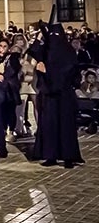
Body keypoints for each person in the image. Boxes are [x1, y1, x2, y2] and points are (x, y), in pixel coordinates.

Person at [33, 22, 84, 167]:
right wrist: (39, 36)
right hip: (49, 96)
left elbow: (69, 72)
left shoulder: (68, 52)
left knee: (66, 125)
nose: (54, 38)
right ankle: (51, 155)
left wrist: (47, 72)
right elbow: (33, 51)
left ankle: (68, 157)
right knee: (50, 125)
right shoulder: (47, 50)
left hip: (64, 95)